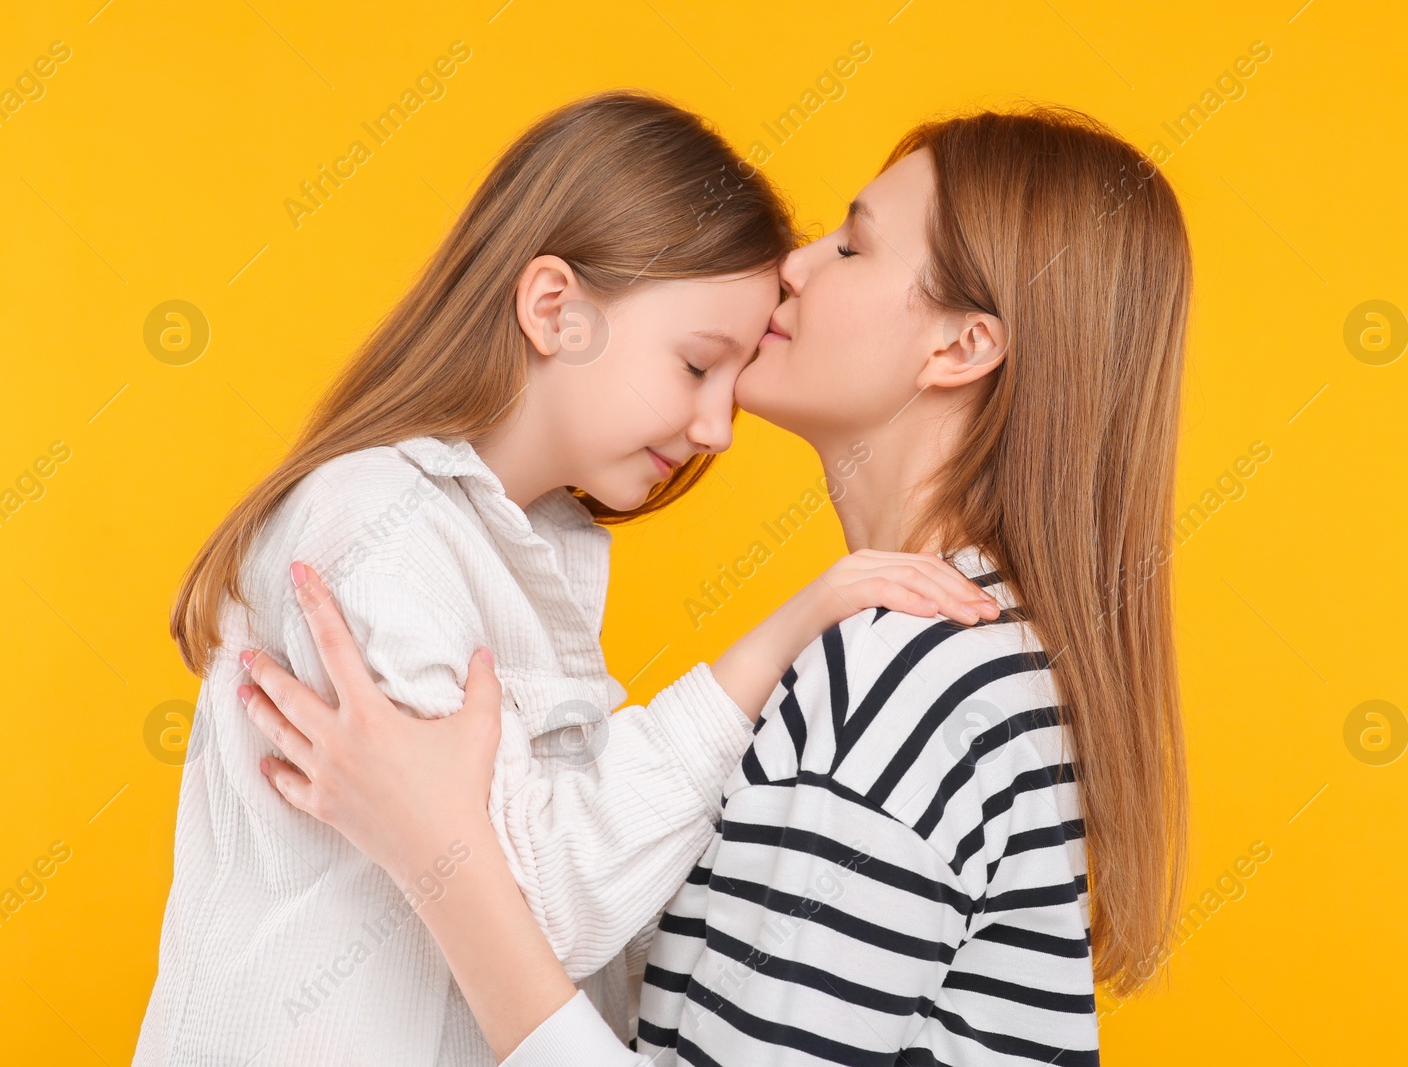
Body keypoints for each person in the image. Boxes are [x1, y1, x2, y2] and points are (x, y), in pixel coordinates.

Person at [239, 103, 1193, 1065]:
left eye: (854, 247)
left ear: (958, 348)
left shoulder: (898, 682)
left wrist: (437, 848)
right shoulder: (963, 648)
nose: (798, 265)